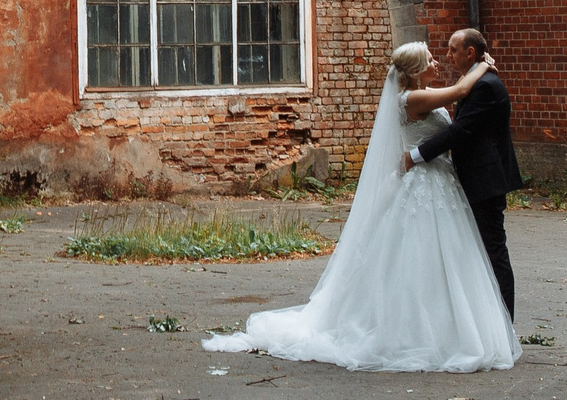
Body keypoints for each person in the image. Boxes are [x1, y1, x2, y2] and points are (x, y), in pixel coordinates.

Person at [201, 37, 520, 373]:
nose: (437, 62)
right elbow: (458, 94)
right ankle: (421, 332)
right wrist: (484, 65)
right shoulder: (413, 98)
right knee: (418, 258)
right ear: (414, 71)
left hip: (438, 182)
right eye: (429, 60)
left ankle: (455, 327)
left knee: (444, 260)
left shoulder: (420, 95)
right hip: (424, 183)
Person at [399, 28, 525, 317]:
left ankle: (504, 321)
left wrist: (415, 156)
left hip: (485, 181)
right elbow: (457, 93)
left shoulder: (483, 85)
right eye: (437, 54)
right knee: (474, 251)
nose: (446, 56)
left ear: (469, 52)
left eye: (453, 50)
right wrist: (481, 64)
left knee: (493, 252)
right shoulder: (472, 81)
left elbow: (461, 130)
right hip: (465, 179)